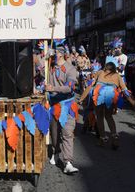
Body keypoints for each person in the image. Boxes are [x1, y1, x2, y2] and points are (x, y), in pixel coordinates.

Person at [79, 61, 135, 149]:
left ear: (105, 68)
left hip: (99, 93)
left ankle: (103, 138)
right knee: (108, 116)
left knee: (99, 117)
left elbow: (90, 86)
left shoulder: (100, 72)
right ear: (114, 69)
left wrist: (81, 99)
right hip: (111, 94)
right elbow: (126, 92)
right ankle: (114, 136)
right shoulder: (117, 76)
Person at [45, 44, 79, 174]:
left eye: (54, 54)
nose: (53, 56)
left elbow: (70, 87)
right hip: (54, 106)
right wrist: (43, 61)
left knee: (67, 133)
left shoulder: (71, 69)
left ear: (60, 54)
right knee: (54, 133)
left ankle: (68, 163)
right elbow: (39, 70)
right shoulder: (50, 67)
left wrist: (53, 88)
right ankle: (56, 150)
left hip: (67, 106)